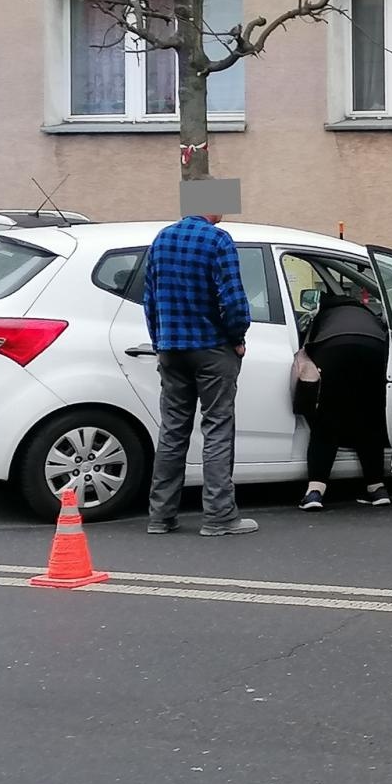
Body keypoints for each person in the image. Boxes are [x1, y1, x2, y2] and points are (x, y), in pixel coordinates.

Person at [143, 208, 257, 538]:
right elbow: (233, 299)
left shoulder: (162, 238)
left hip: (172, 349)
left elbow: (150, 299)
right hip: (211, 348)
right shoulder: (218, 240)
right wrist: (237, 338)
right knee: (217, 428)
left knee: (173, 430)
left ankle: (160, 516)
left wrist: (159, 341)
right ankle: (219, 516)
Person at [299, 292, 392, 511]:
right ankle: (377, 489)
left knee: (326, 421)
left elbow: (307, 345)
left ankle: (315, 492)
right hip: (375, 350)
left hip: (333, 350)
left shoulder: (324, 314)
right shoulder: (368, 315)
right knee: (370, 419)